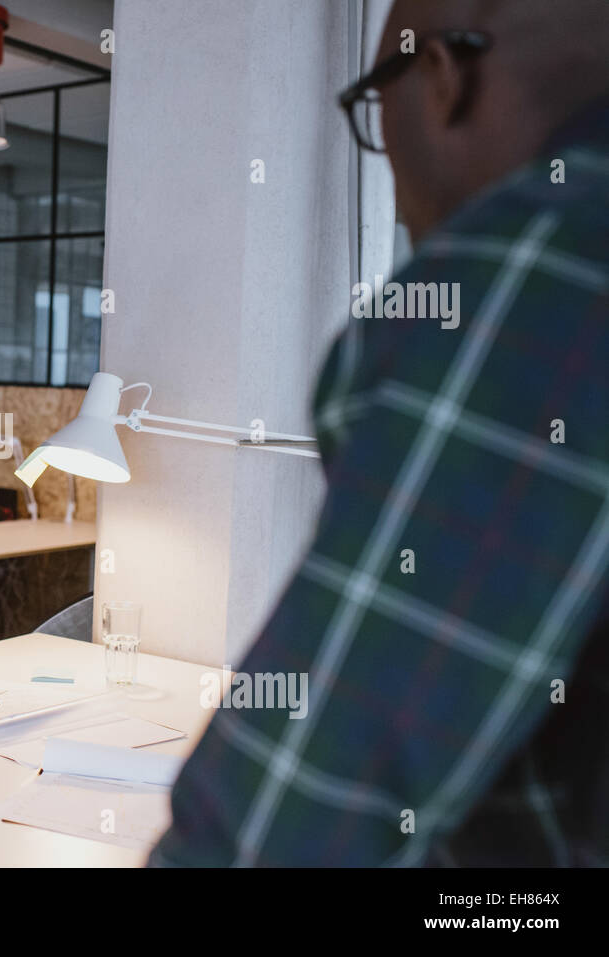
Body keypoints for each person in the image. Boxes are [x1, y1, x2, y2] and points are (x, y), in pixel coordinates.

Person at [150, 0, 609, 865]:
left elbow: (290, 826)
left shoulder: (532, 273)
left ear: (439, 77)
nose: (393, 188)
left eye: (374, 105)